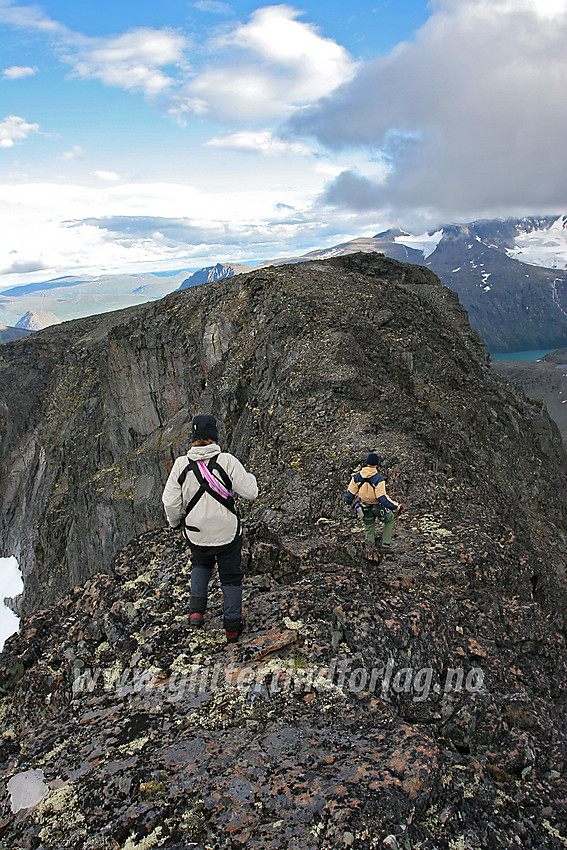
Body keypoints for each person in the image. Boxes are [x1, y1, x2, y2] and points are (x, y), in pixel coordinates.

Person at [162, 414, 258, 643]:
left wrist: (175, 523)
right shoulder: (226, 460)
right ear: (214, 435)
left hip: (196, 533)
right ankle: (233, 625)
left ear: (193, 438)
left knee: (200, 563)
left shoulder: (181, 465)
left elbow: (170, 502)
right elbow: (251, 492)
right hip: (227, 532)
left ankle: (196, 613)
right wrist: (250, 478)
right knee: (231, 576)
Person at [345, 453, 404, 553]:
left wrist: (353, 504)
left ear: (367, 463)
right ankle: (385, 545)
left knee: (369, 527)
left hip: (364, 508)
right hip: (378, 508)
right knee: (389, 519)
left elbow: (349, 497)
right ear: (376, 464)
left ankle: (370, 548)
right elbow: (382, 498)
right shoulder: (378, 478)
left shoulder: (357, 477)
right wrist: (397, 506)